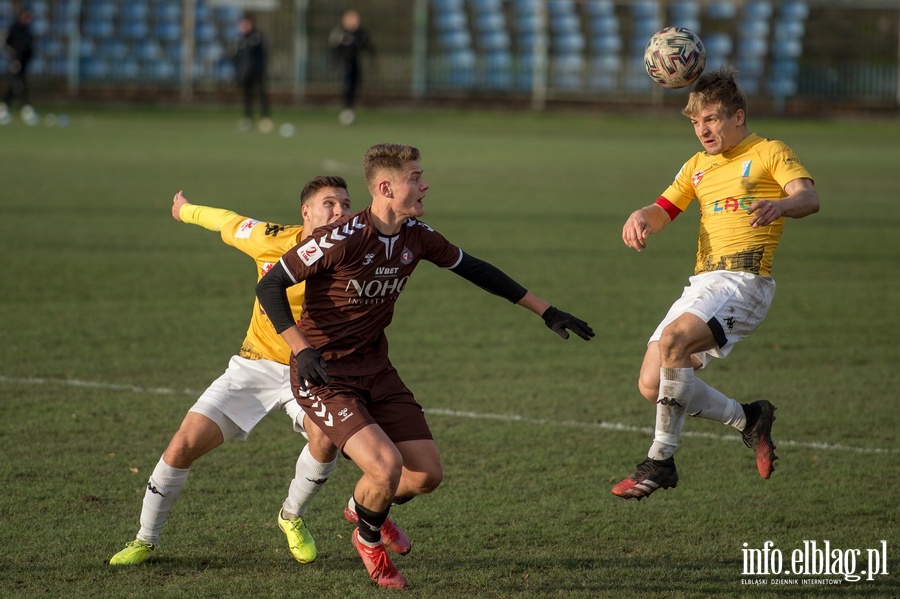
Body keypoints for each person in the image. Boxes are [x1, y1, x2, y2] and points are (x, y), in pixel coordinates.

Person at [256, 143, 594, 588]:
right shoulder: (341, 238)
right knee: (384, 466)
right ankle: (369, 541)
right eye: (415, 177)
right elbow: (272, 286)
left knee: (425, 475)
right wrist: (302, 348)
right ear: (385, 187)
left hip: (376, 369)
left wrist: (545, 310)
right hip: (325, 375)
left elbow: (474, 268)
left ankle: (362, 510)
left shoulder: (416, 234)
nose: (424, 184)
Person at [109, 177, 356, 566]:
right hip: (254, 365)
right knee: (182, 445)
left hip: (312, 371)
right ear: (306, 212)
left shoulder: (359, 254)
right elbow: (228, 220)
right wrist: (185, 211)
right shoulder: (271, 240)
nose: (340, 211)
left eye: (345, 204)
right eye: (330, 204)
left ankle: (291, 517)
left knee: (326, 438)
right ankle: (144, 539)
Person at [612, 68, 820, 500]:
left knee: (673, 341)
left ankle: (660, 461)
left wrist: (781, 205)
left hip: (745, 282)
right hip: (704, 284)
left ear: (737, 116)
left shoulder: (769, 152)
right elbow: (664, 209)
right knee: (653, 384)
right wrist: (640, 216)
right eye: (695, 122)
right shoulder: (697, 166)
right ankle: (749, 418)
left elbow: (808, 197)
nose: (702, 130)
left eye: (711, 119)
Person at [328, 9, 375, 126]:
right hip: (344, 64)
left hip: (355, 64)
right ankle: (347, 109)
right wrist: (334, 63)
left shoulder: (360, 33)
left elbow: (369, 47)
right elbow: (334, 49)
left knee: (354, 86)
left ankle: (350, 109)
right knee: (347, 86)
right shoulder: (339, 33)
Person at [232, 13, 271, 133]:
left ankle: (265, 118)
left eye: (245, 24)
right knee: (247, 96)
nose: (243, 26)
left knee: (261, 95)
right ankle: (247, 118)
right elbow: (237, 57)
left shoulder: (256, 36)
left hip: (257, 71)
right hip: (245, 72)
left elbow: (259, 53)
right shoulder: (239, 39)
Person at [0, 8, 35, 126]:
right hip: (14, 63)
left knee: (13, 87)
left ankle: (3, 109)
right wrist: (13, 59)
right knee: (19, 86)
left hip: (23, 63)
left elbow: (28, 48)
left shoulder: (27, 30)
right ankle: (27, 110)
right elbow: (6, 45)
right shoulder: (14, 28)